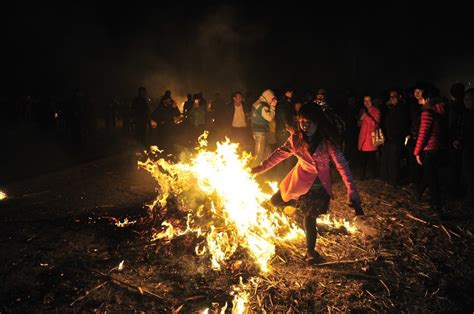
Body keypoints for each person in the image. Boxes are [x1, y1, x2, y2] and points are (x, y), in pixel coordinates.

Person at [251, 104, 363, 265]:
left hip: (318, 188)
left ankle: (310, 252)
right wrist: (260, 168)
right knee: (274, 202)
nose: (305, 126)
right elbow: (280, 154)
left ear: (318, 122)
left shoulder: (327, 143)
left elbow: (343, 167)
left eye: (309, 122)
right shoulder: (296, 138)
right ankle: (295, 206)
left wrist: (352, 193)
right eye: (302, 121)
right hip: (299, 181)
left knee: (309, 217)